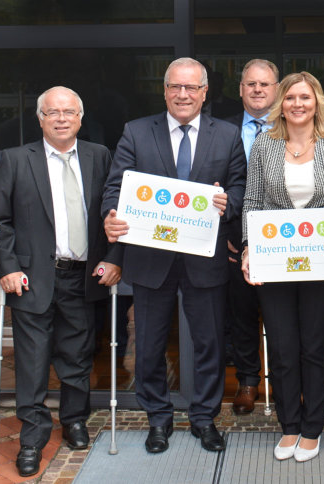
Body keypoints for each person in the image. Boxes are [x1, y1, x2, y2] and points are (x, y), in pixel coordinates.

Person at [102, 57, 246, 454]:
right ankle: (158, 420)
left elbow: (240, 188)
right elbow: (116, 188)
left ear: (204, 93)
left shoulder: (228, 135)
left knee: (209, 344)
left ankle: (204, 418)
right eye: (175, 87)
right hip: (151, 259)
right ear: (164, 90)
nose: (183, 95)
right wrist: (110, 216)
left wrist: (226, 204)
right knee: (147, 346)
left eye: (191, 88)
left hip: (205, 259)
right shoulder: (135, 132)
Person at [0, 86, 121, 477]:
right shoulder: (15, 160)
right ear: (40, 118)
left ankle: (75, 421)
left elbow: (114, 214)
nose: (61, 119)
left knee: (77, 357)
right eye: (52, 113)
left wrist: (114, 259)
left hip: (82, 277)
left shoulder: (100, 156)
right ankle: (32, 437)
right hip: (30, 279)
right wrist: (7, 267)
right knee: (31, 362)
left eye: (68, 112)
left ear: (80, 117)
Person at [240, 71, 324, 463]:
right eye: (290, 98)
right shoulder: (264, 145)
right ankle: (289, 426)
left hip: (323, 265)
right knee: (283, 347)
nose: (297, 104)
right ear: (280, 103)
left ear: (317, 102)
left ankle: (312, 428)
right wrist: (247, 249)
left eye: (305, 97)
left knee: (314, 347)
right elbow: (253, 201)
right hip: (275, 263)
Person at [222, 58, 280, 415]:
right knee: (241, 315)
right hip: (232, 240)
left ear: (277, 89)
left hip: (283, 239)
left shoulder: (293, 127)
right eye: (251, 84)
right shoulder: (222, 131)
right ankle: (247, 382)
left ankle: (287, 382)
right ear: (240, 89)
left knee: (281, 315)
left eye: (265, 84)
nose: (258, 90)